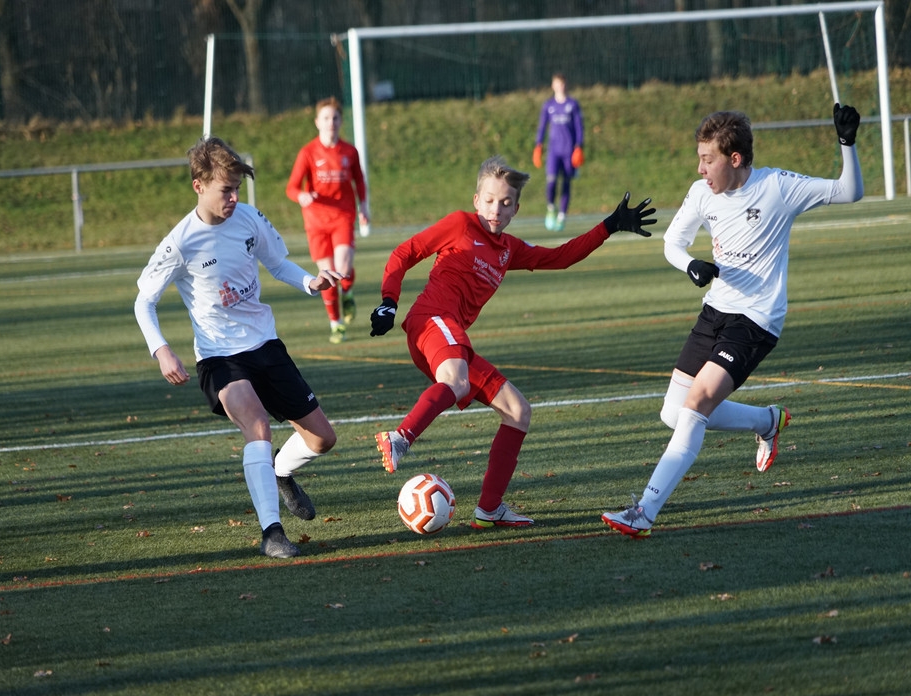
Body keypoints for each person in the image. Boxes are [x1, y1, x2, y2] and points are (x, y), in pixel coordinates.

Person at [602, 104, 863, 538]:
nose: (700, 169)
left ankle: (643, 511)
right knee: (673, 412)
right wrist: (690, 264)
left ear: (734, 158)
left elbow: (849, 191)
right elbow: (673, 242)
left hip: (757, 319)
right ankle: (767, 421)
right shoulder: (702, 193)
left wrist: (846, 143)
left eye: (708, 159)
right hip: (715, 311)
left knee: (698, 402)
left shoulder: (778, 187)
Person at [369, 155, 655, 529]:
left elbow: (560, 257)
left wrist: (609, 226)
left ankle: (489, 509)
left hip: (453, 340)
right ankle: (400, 438)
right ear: (476, 200)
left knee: (518, 411)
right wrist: (388, 301)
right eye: (489, 200)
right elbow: (405, 252)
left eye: (505, 203)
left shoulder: (509, 249)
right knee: (456, 383)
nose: (496, 209)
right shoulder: (460, 224)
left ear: (516, 209)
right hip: (432, 321)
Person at [135, 136, 344, 559]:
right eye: (225, 190)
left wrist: (310, 281)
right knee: (257, 425)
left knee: (323, 439)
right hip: (219, 357)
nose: (233, 198)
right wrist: (161, 349)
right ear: (198, 186)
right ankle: (272, 533)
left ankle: (279, 472)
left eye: (237, 189)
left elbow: (278, 264)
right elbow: (144, 301)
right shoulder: (180, 242)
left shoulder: (248, 218)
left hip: (265, 345)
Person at [287, 96, 370, 345]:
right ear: (317, 122)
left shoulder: (349, 152)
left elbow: (359, 181)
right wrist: (301, 196)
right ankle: (336, 324)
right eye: (326, 118)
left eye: (335, 118)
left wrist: (364, 206)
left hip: (342, 217)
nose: (330, 122)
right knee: (327, 275)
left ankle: (348, 291)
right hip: (316, 222)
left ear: (341, 121)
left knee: (342, 268)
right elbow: (292, 187)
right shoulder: (308, 153)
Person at [532, 72, 584, 232]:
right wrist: (538, 145)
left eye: (562, 83)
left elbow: (579, 127)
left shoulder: (573, 104)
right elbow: (542, 126)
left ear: (566, 84)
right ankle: (550, 208)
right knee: (551, 181)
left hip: (568, 151)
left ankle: (562, 216)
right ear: (553, 85)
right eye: (557, 83)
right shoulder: (549, 105)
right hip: (554, 151)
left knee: (566, 182)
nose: (560, 86)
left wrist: (579, 146)